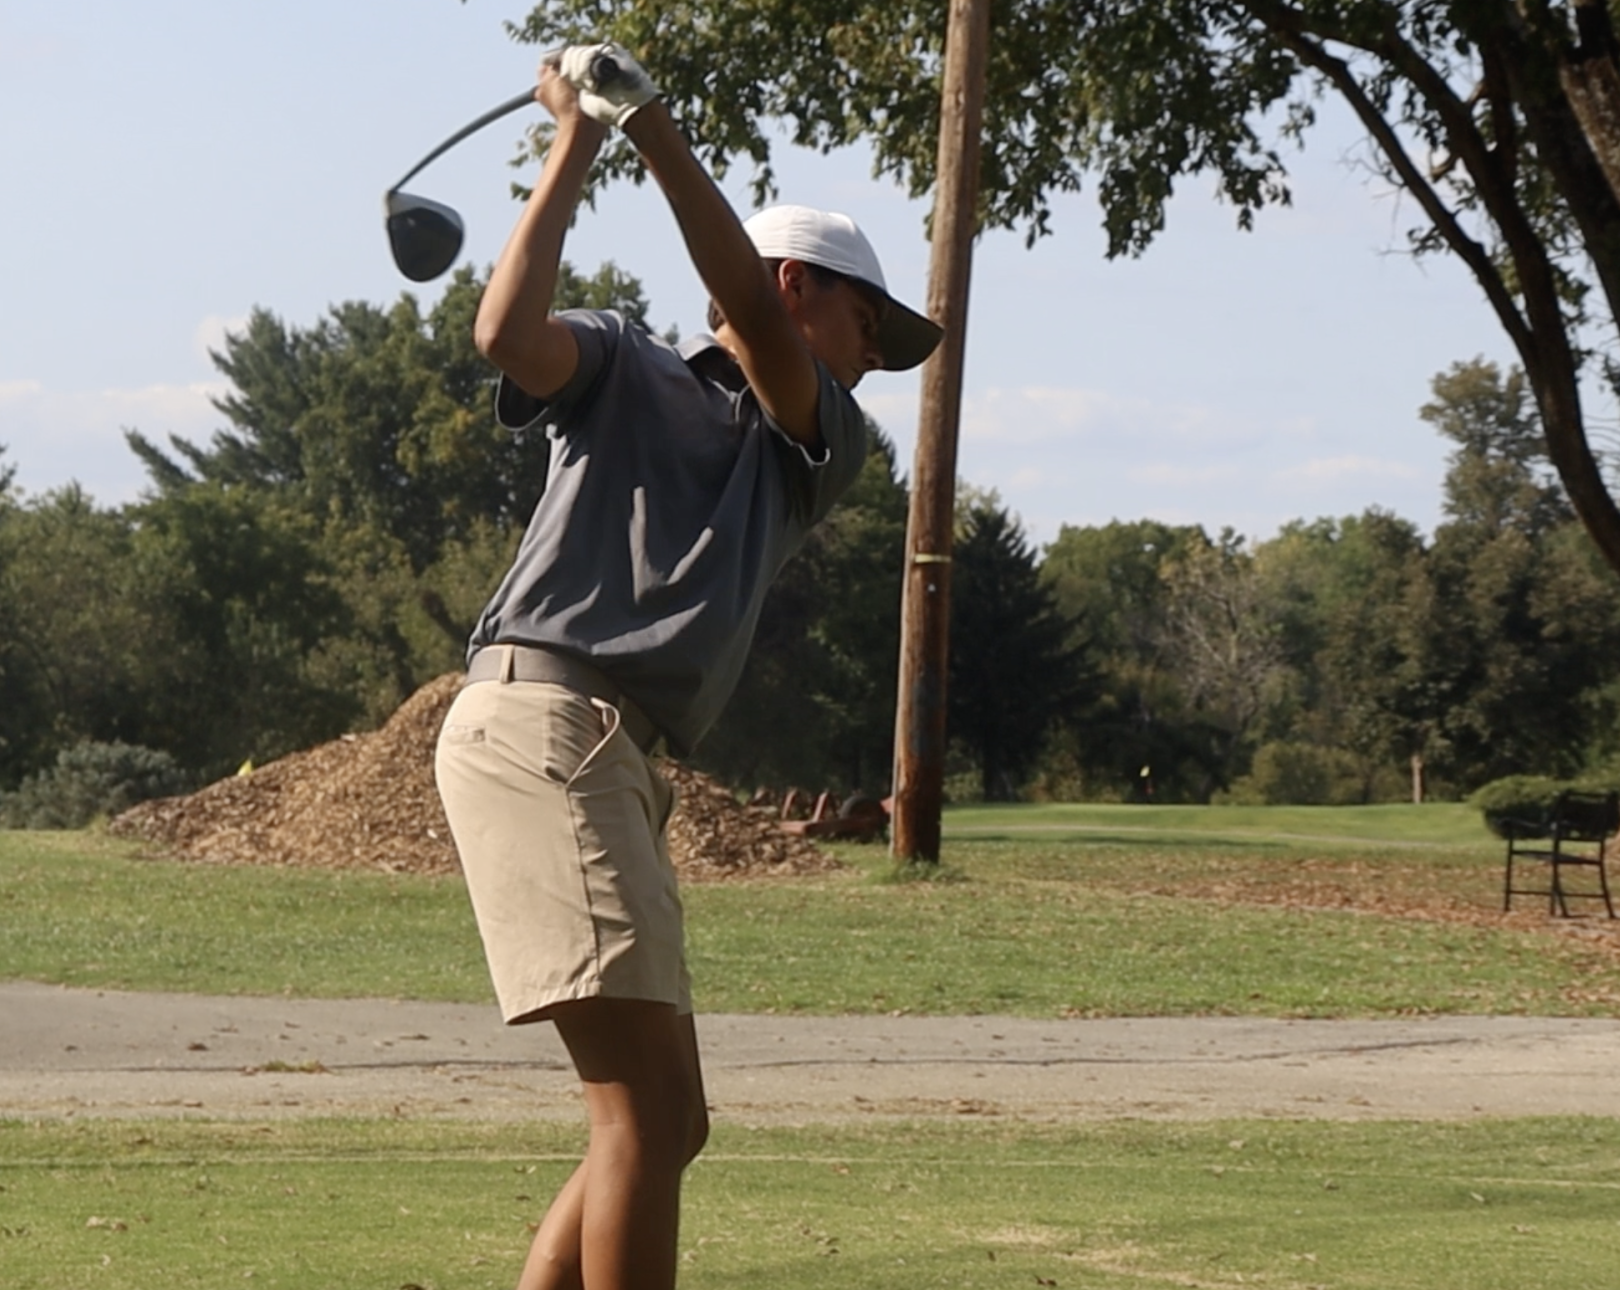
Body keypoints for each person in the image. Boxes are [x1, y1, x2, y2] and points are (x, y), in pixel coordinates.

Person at [433, 42, 942, 1290]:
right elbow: (505, 330)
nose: (872, 360)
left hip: (608, 753)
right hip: (543, 725)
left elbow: (759, 328)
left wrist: (646, 121)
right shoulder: (621, 363)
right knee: (644, 1118)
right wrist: (586, 138)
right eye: (869, 325)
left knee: (671, 1122)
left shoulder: (817, 443)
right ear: (798, 286)